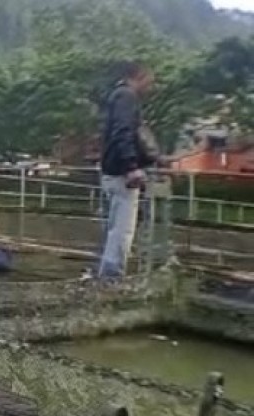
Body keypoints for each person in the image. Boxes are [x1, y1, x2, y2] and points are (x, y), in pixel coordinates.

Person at [97, 61, 165, 279]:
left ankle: (108, 275)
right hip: (121, 174)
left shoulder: (118, 96)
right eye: (149, 80)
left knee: (115, 227)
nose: (150, 86)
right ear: (138, 76)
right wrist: (132, 167)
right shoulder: (127, 97)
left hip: (113, 172)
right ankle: (111, 278)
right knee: (122, 230)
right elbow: (123, 133)